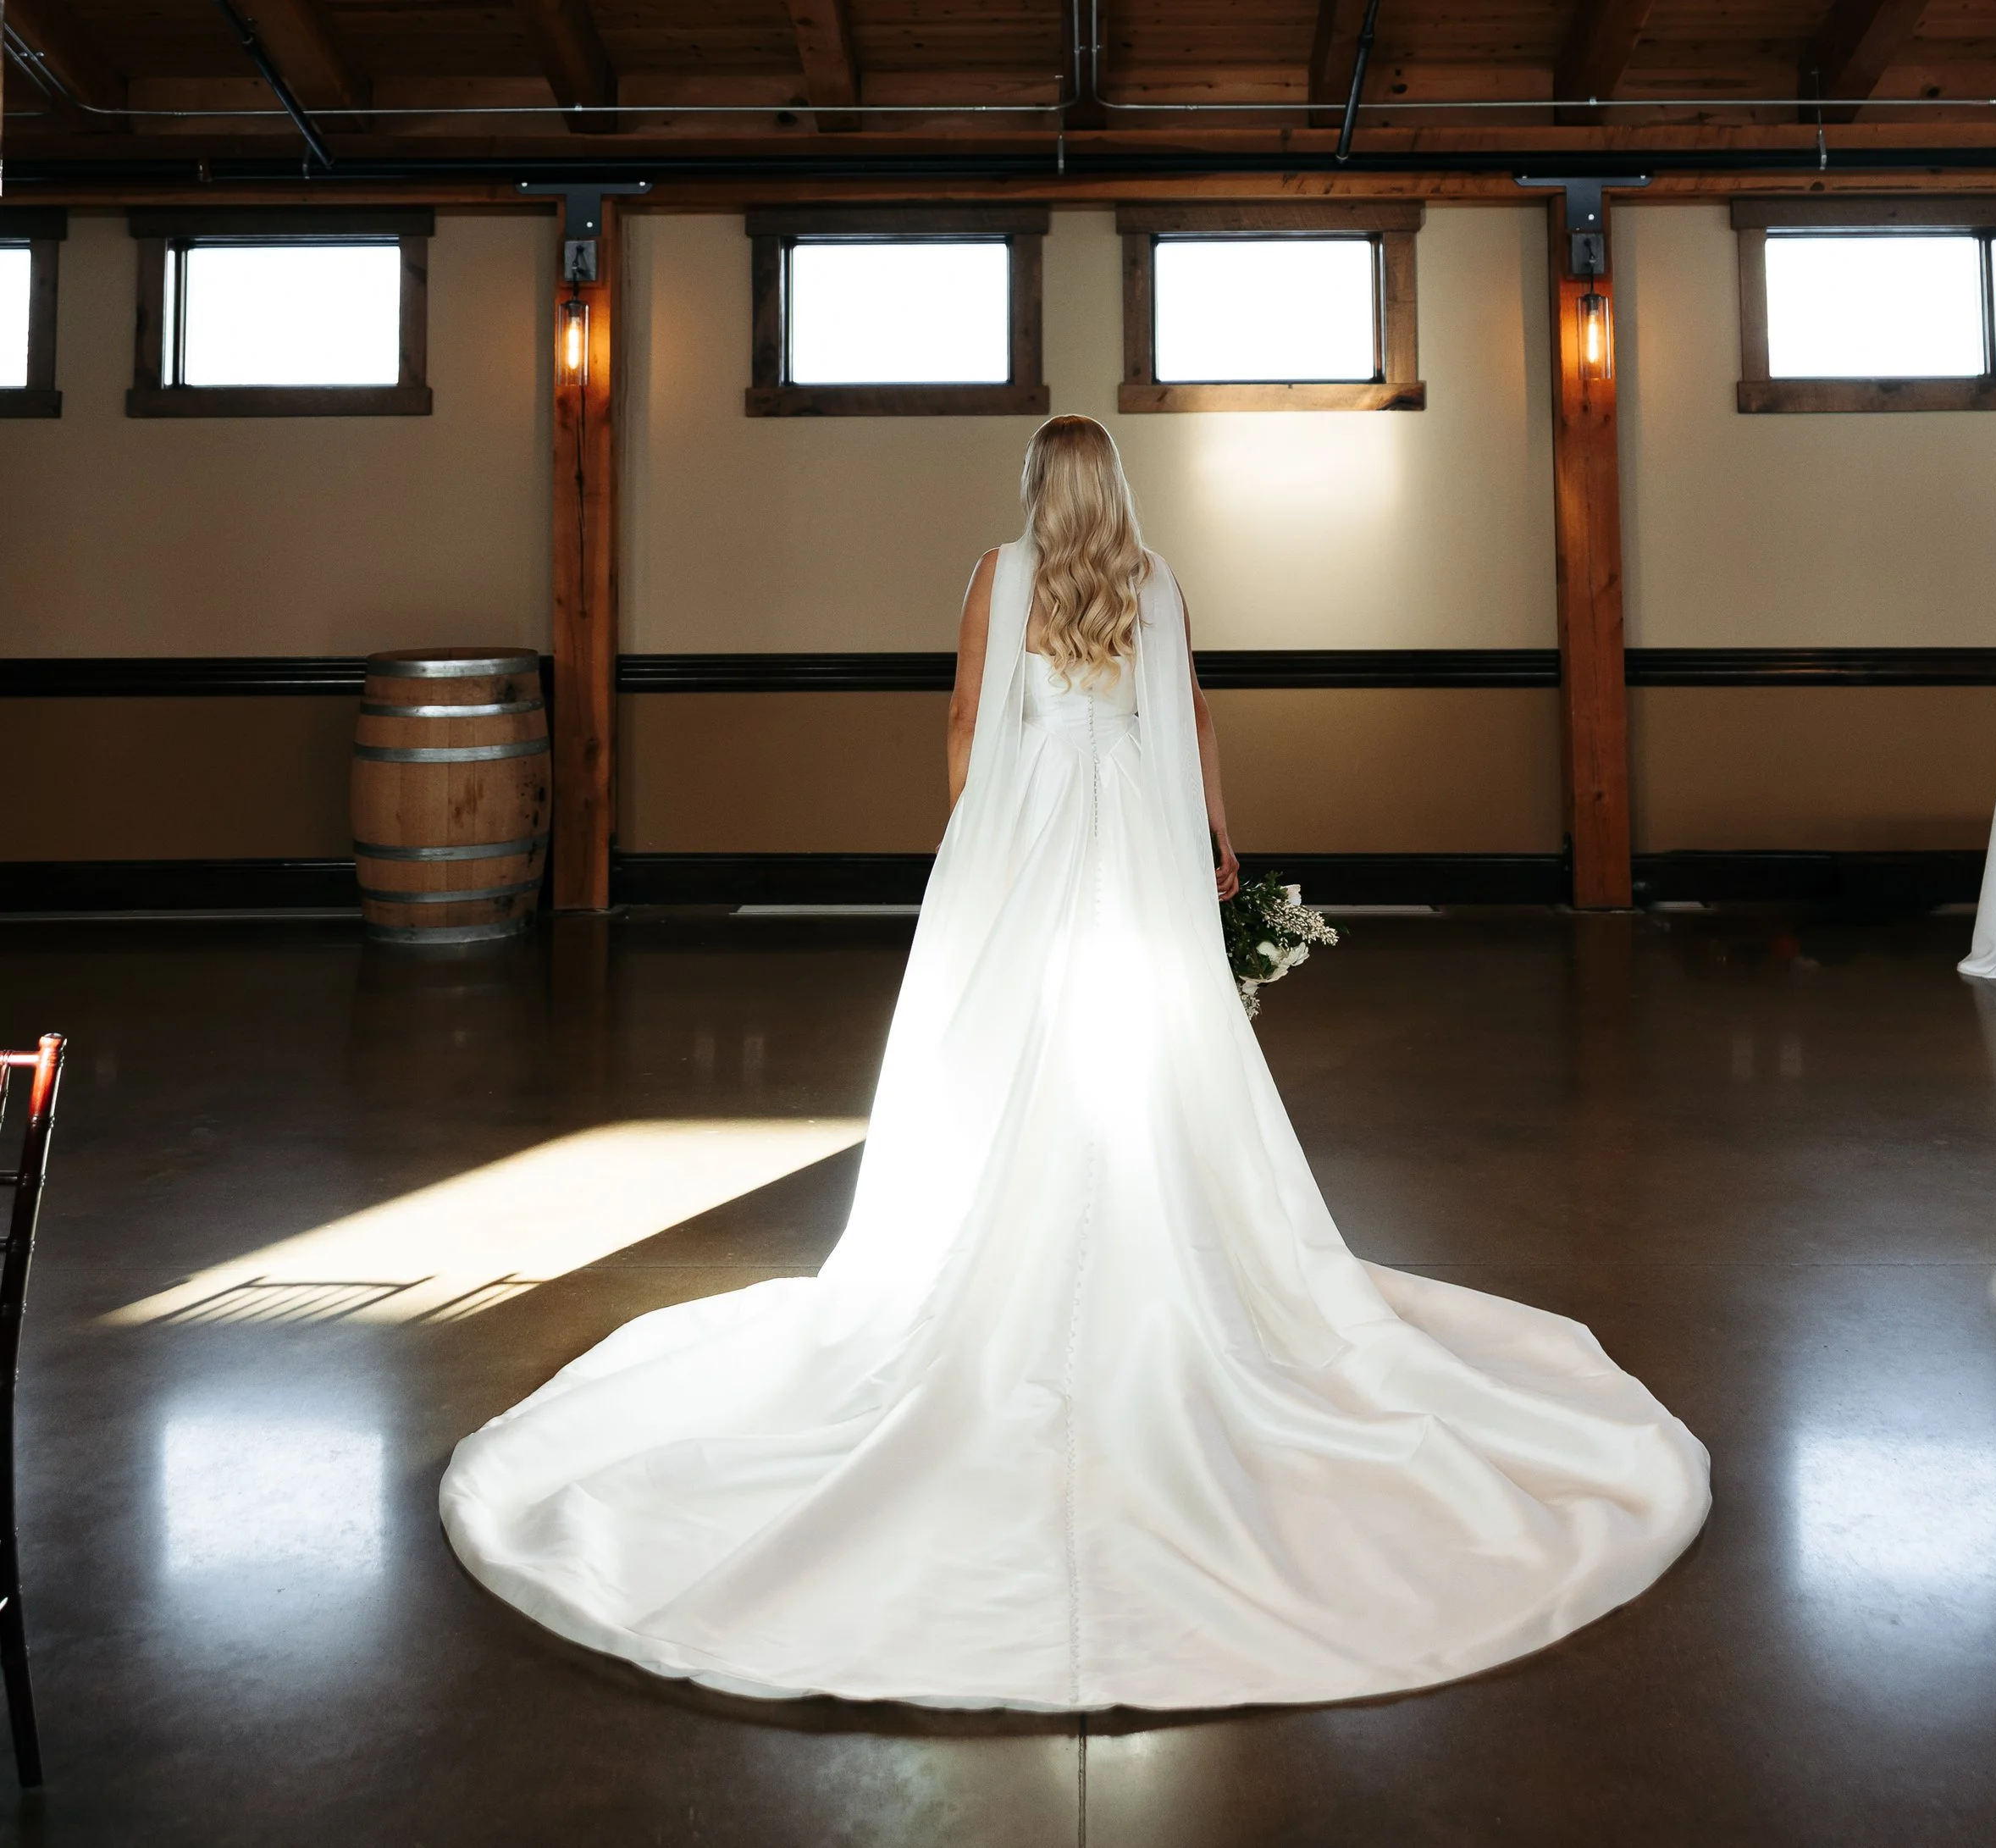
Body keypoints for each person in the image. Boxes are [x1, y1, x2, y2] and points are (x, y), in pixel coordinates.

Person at [442, 417, 1707, 1709]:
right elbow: (1191, 714)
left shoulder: (999, 571)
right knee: (1144, 1037)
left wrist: (973, 848)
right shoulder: (1159, 579)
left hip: (1030, 824)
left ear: (1041, 487)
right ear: (1118, 489)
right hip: (1131, 831)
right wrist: (1217, 835)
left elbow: (961, 716)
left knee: (1012, 1045)